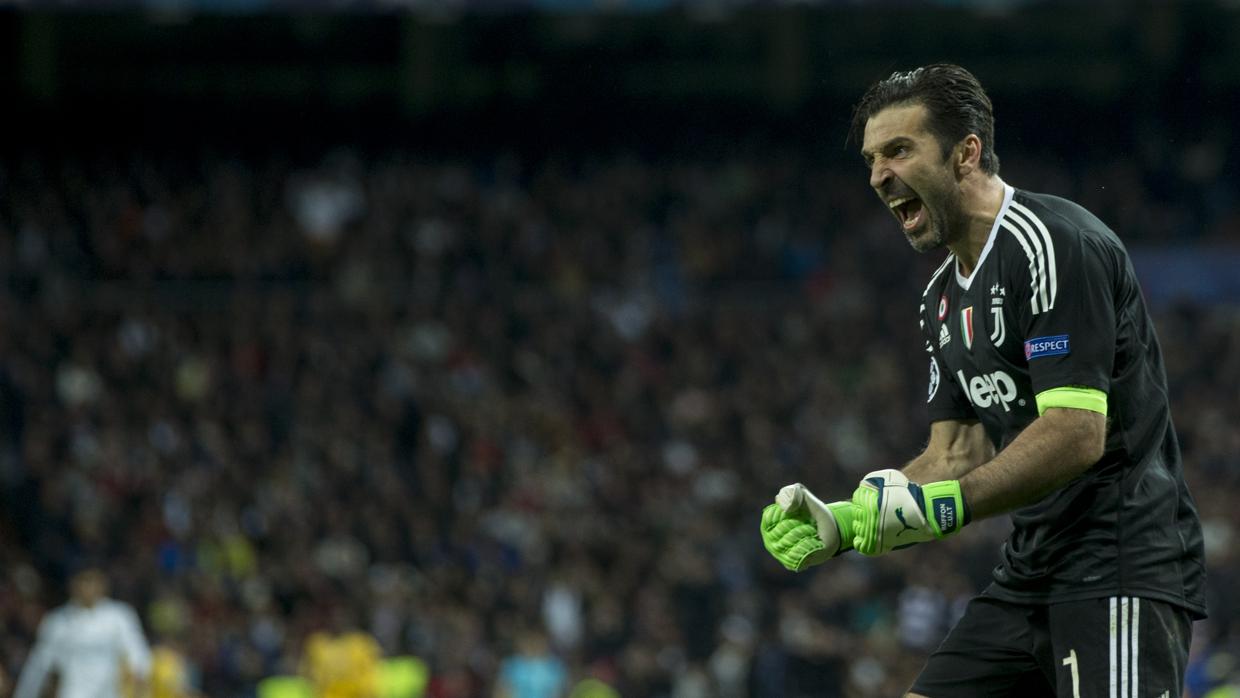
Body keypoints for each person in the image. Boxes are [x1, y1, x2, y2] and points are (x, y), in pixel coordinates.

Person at [759, 63, 1206, 697]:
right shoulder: (940, 299)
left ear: (966, 152)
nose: (878, 175)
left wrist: (951, 507)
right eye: (870, 159)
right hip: (1030, 574)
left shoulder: (1053, 243)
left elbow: (1078, 433)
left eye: (898, 150)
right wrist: (844, 524)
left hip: (1120, 564)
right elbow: (954, 454)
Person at [14, 566, 153, 698]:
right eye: (83, 582)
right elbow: (39, 665)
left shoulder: (119, 616)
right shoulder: (57, 621)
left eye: (92, 581)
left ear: (102, 585)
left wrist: (140, 677)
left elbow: (137, 651)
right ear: (73, 585)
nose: (87, 588)